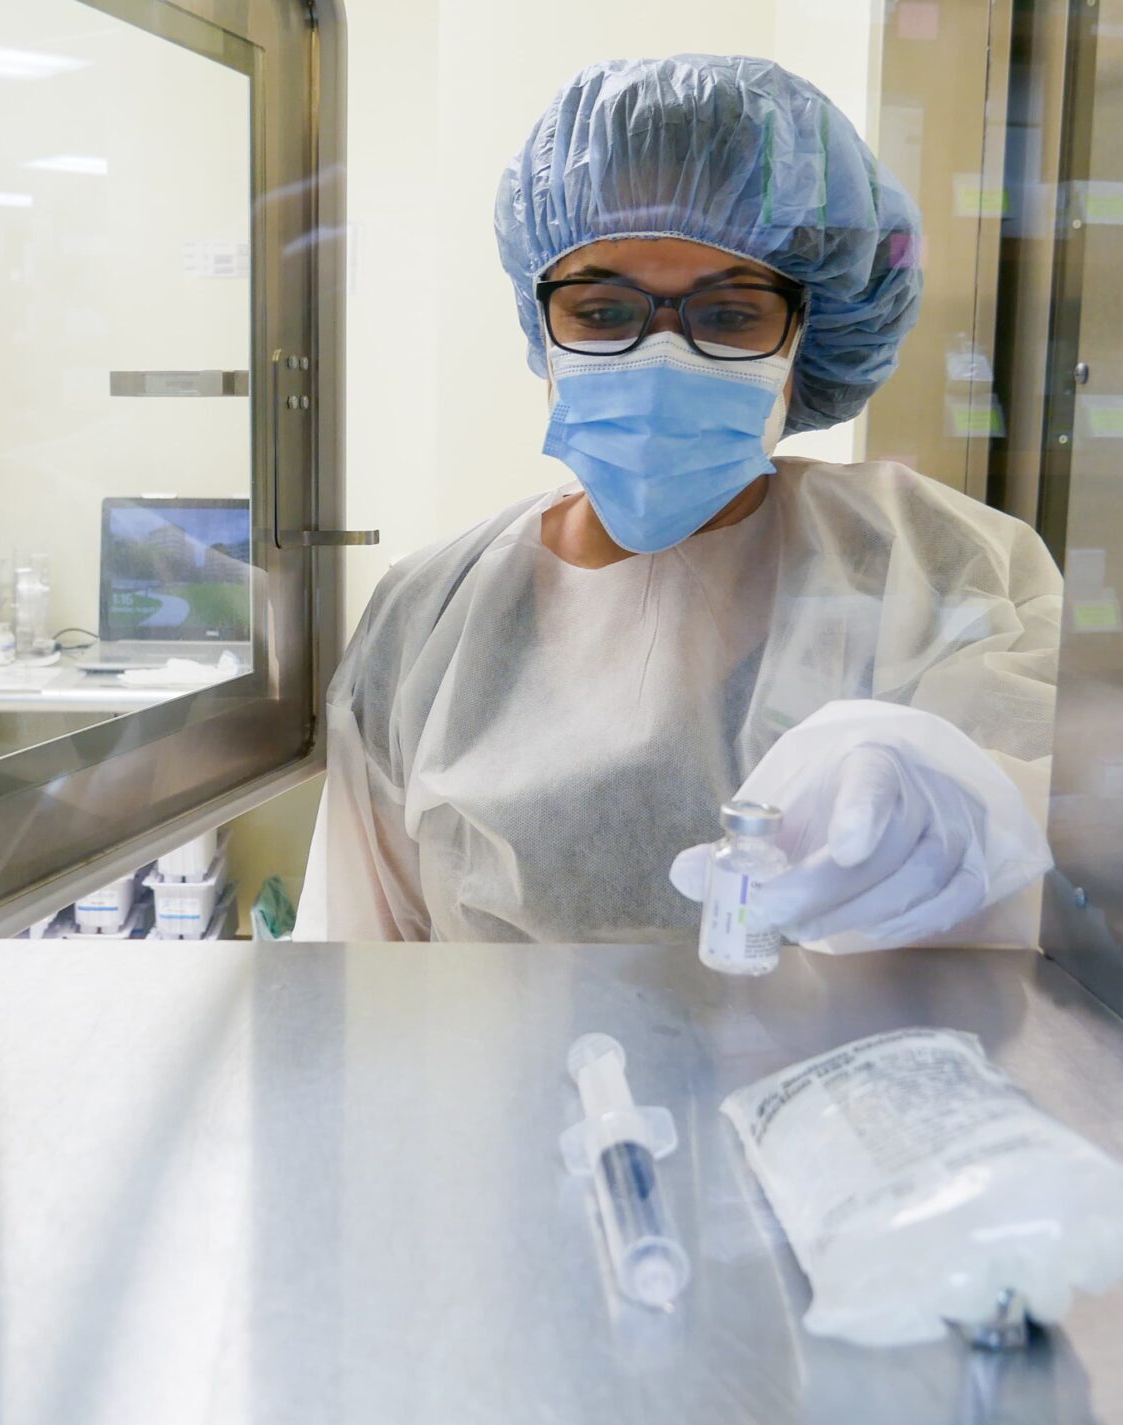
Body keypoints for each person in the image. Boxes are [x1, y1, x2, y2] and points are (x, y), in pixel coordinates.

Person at [297, 54, 1061, 949]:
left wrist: (973, 806)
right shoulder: (427, 620)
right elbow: (354, 970)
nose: (662, 356)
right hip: (486, 1087)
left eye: (731, 315)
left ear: (806, 335)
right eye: (603, 312)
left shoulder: (934, 566)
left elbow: (1082, 849)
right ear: (542, 325)